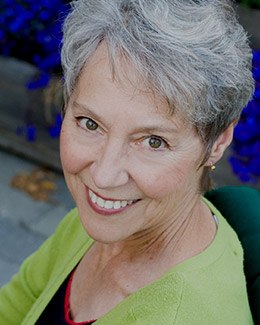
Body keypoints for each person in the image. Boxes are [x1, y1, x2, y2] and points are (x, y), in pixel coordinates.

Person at [0, 0, 255, 324]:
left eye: (153, 141)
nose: (104, 176)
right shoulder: (102, 219)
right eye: (90, 123)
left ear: (217, 142)